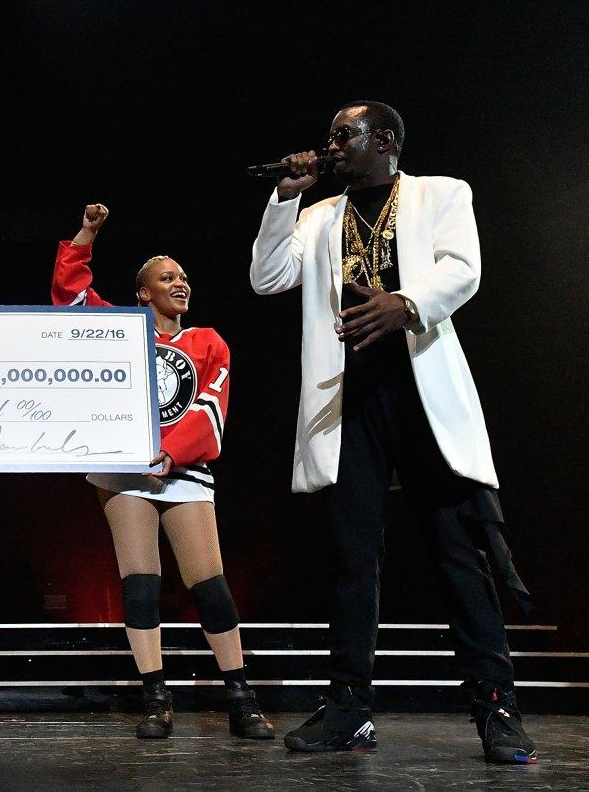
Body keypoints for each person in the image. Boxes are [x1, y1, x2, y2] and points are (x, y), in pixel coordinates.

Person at [250, 101, 537, 763]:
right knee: (351, 558)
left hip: (420, 391)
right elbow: (267, 277)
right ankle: (348, 706)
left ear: (383, 140)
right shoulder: (320, 215)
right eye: (327, 135)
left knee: (456, 553)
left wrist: (405, 303)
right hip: (350, 399)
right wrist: (282, 200)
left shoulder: (441, 194)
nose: (329, 146)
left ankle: (496, 705)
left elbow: (463, 269)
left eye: (341, 135)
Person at [52, 203, 273, 741]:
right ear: (143, 293)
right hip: (125, 475)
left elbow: (211, 407)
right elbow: (69, 297)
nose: (181, 283)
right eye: (167, 277)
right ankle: (155, 697)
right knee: (141, 586)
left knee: (211, 586)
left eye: (184, 277)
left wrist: (172, 454)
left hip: (183, 470)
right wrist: (87, 233)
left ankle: (239, 697)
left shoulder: (207, 342)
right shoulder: (118, 333)